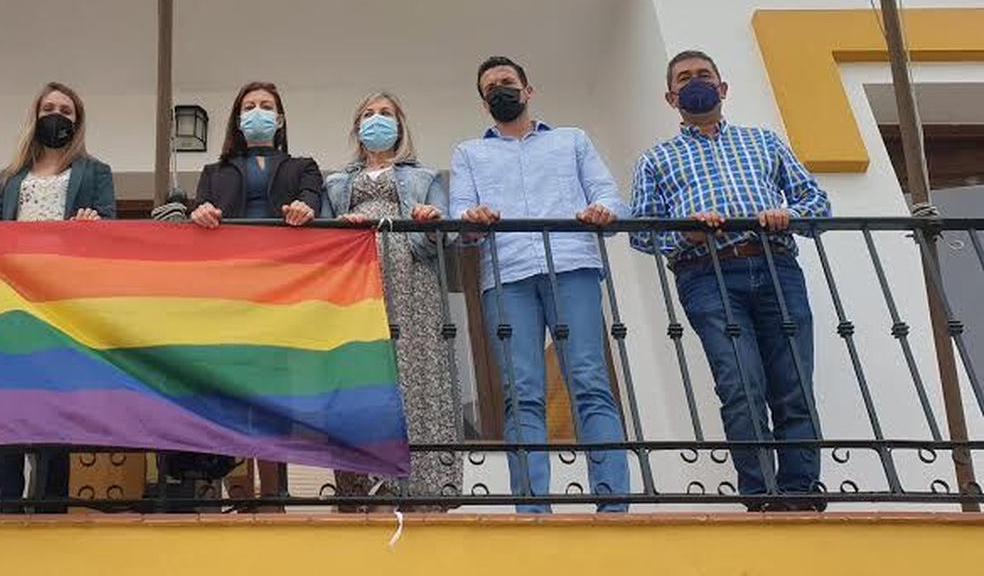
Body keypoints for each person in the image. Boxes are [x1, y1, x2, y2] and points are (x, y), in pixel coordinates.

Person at [630, 50, 830, 511]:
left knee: (794, 382)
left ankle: (799, 494)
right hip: (706, 273)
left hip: (776, 264)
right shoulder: (656, 159)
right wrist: (687, 231)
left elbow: (816, 203)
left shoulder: (765, 142)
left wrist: (788, 215)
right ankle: (760, 495)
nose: (695, 83)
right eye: (685, 78)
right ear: (670, 96)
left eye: (704, 75)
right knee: (741, 385)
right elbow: (642, 230)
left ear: (722, 88)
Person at [447, 56, 629, 513]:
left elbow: (609, 196)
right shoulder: (469, 153)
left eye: (507, 83)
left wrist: (602, 211)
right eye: (490, 88)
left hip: (571, 267)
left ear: (528, 90)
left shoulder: (572, 140)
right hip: (506, 277)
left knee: (589, 383)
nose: (500, 91)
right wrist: (472, 220)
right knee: (519, 393)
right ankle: (533, 510)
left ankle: (613, 505)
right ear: (483, 101)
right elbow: (459, 223)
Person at [321, 92, 463, 506]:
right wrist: (339, 229)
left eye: (386, 114)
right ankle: (359, 487)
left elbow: (446, 233)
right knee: (357, 372)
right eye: (368, 114)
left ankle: (424, 488)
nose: (377, 120)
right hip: (354, 281)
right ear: (356, 128)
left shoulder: (424, 178)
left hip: (412, 278)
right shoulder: (336, 183)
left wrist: (430, 220)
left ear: (399, 128)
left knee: (418, 368)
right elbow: (320, 236)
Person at [0, 82, 116, 513]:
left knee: (55, 400)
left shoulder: (95, 173)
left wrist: (94, 223)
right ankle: (4, 507)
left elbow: (110, 231)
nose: (56, 115)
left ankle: (50, 506)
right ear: (35, 115)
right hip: (12, 301)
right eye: (49, 107)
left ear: (77, 122)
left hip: (63, 302)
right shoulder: (9, 178)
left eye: (66, 110)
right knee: (6, 402)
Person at [190, 80, 322, 508]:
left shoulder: (303, 165)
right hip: (230, 292)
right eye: (250, 106)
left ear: (280, 119)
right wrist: (202, 213)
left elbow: (313, 201)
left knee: (274, 391)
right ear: (238, 119)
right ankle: (231, 490)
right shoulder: (214, 172)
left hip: (283, 290)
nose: (258, 112)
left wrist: (306, 209)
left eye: (267, 106)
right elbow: (198, 217)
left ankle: (274, 494)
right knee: (230, 386)